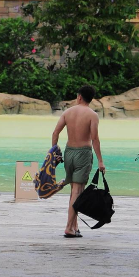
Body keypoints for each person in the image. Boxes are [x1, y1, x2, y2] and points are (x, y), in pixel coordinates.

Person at [51, 85, 105, 238]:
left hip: (69, 153)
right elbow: (95, 139)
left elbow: (55, 133)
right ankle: (69, 227)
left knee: (74, 190)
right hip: (83, 153)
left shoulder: (67, 112)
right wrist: (100, 161)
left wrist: (54, 152)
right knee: (77, 191)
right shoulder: (92, 115)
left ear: (79, 97)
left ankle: (75, 226)